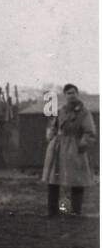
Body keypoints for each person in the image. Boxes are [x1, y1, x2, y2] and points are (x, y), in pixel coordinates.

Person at [42, 83, 96, 217]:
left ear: (77, 94)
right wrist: (51, 136)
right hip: (58, 148)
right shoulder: (61, 110)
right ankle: (52, 211)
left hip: (75, 148)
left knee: (77, 179)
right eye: (68, 93)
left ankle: (76, 211)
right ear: (65, 96)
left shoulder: (84, 112)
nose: (71, 95)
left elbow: (90, 132)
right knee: (53, 178)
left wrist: (82, 144)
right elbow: (54, 126)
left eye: (73, 93)